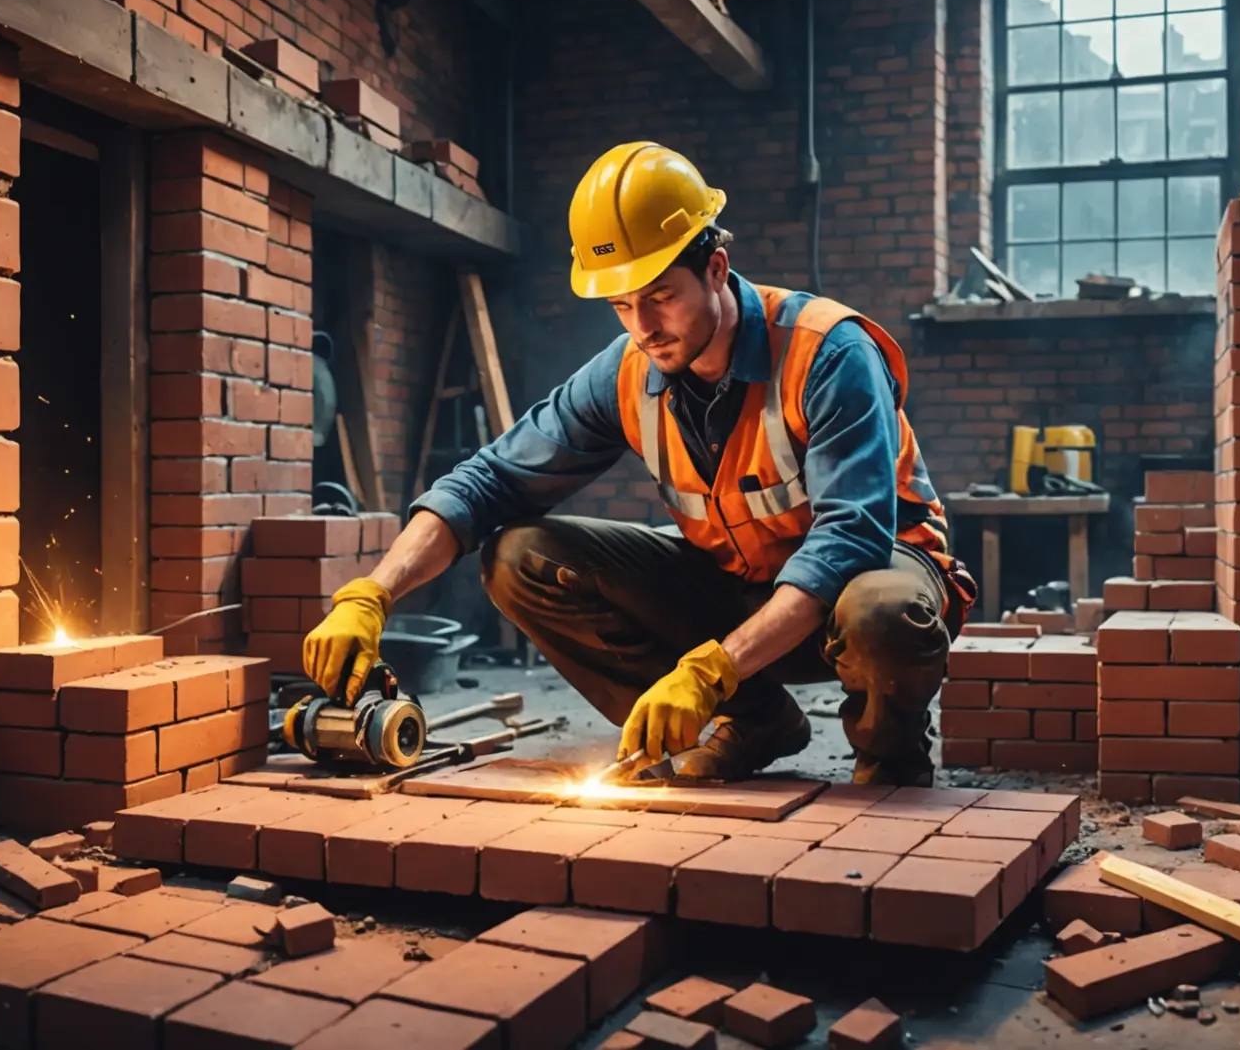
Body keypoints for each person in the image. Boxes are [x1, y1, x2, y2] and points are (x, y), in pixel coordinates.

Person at [302, 141, 973, 786]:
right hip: (742, 587)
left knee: (880, 611)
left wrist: (712, 669)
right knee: (519, 557)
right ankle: (752, 721)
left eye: (659, 295)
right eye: (621, 305)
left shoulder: (827, 352)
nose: (642, 326)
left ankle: (891, 761)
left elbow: (847, 541)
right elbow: (490, 481)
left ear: (716, 268)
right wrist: (374, 593)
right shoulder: (627, 371)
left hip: (864, 586)